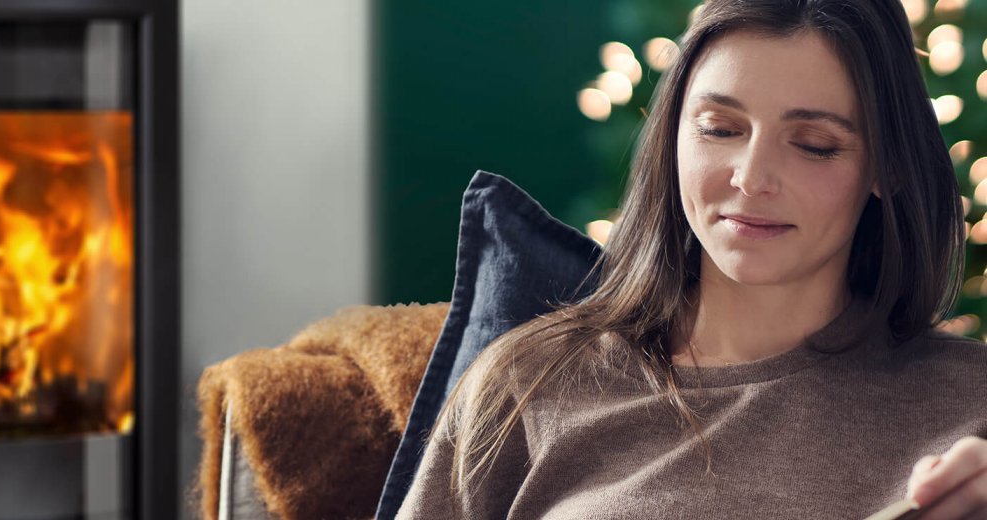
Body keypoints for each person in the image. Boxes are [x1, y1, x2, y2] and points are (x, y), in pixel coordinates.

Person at [397, 0, 987, 518]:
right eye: (719, 128)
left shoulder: (969, 403)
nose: (752, 179)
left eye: (814, 145)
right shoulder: (529, 382)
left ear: (888, 166)